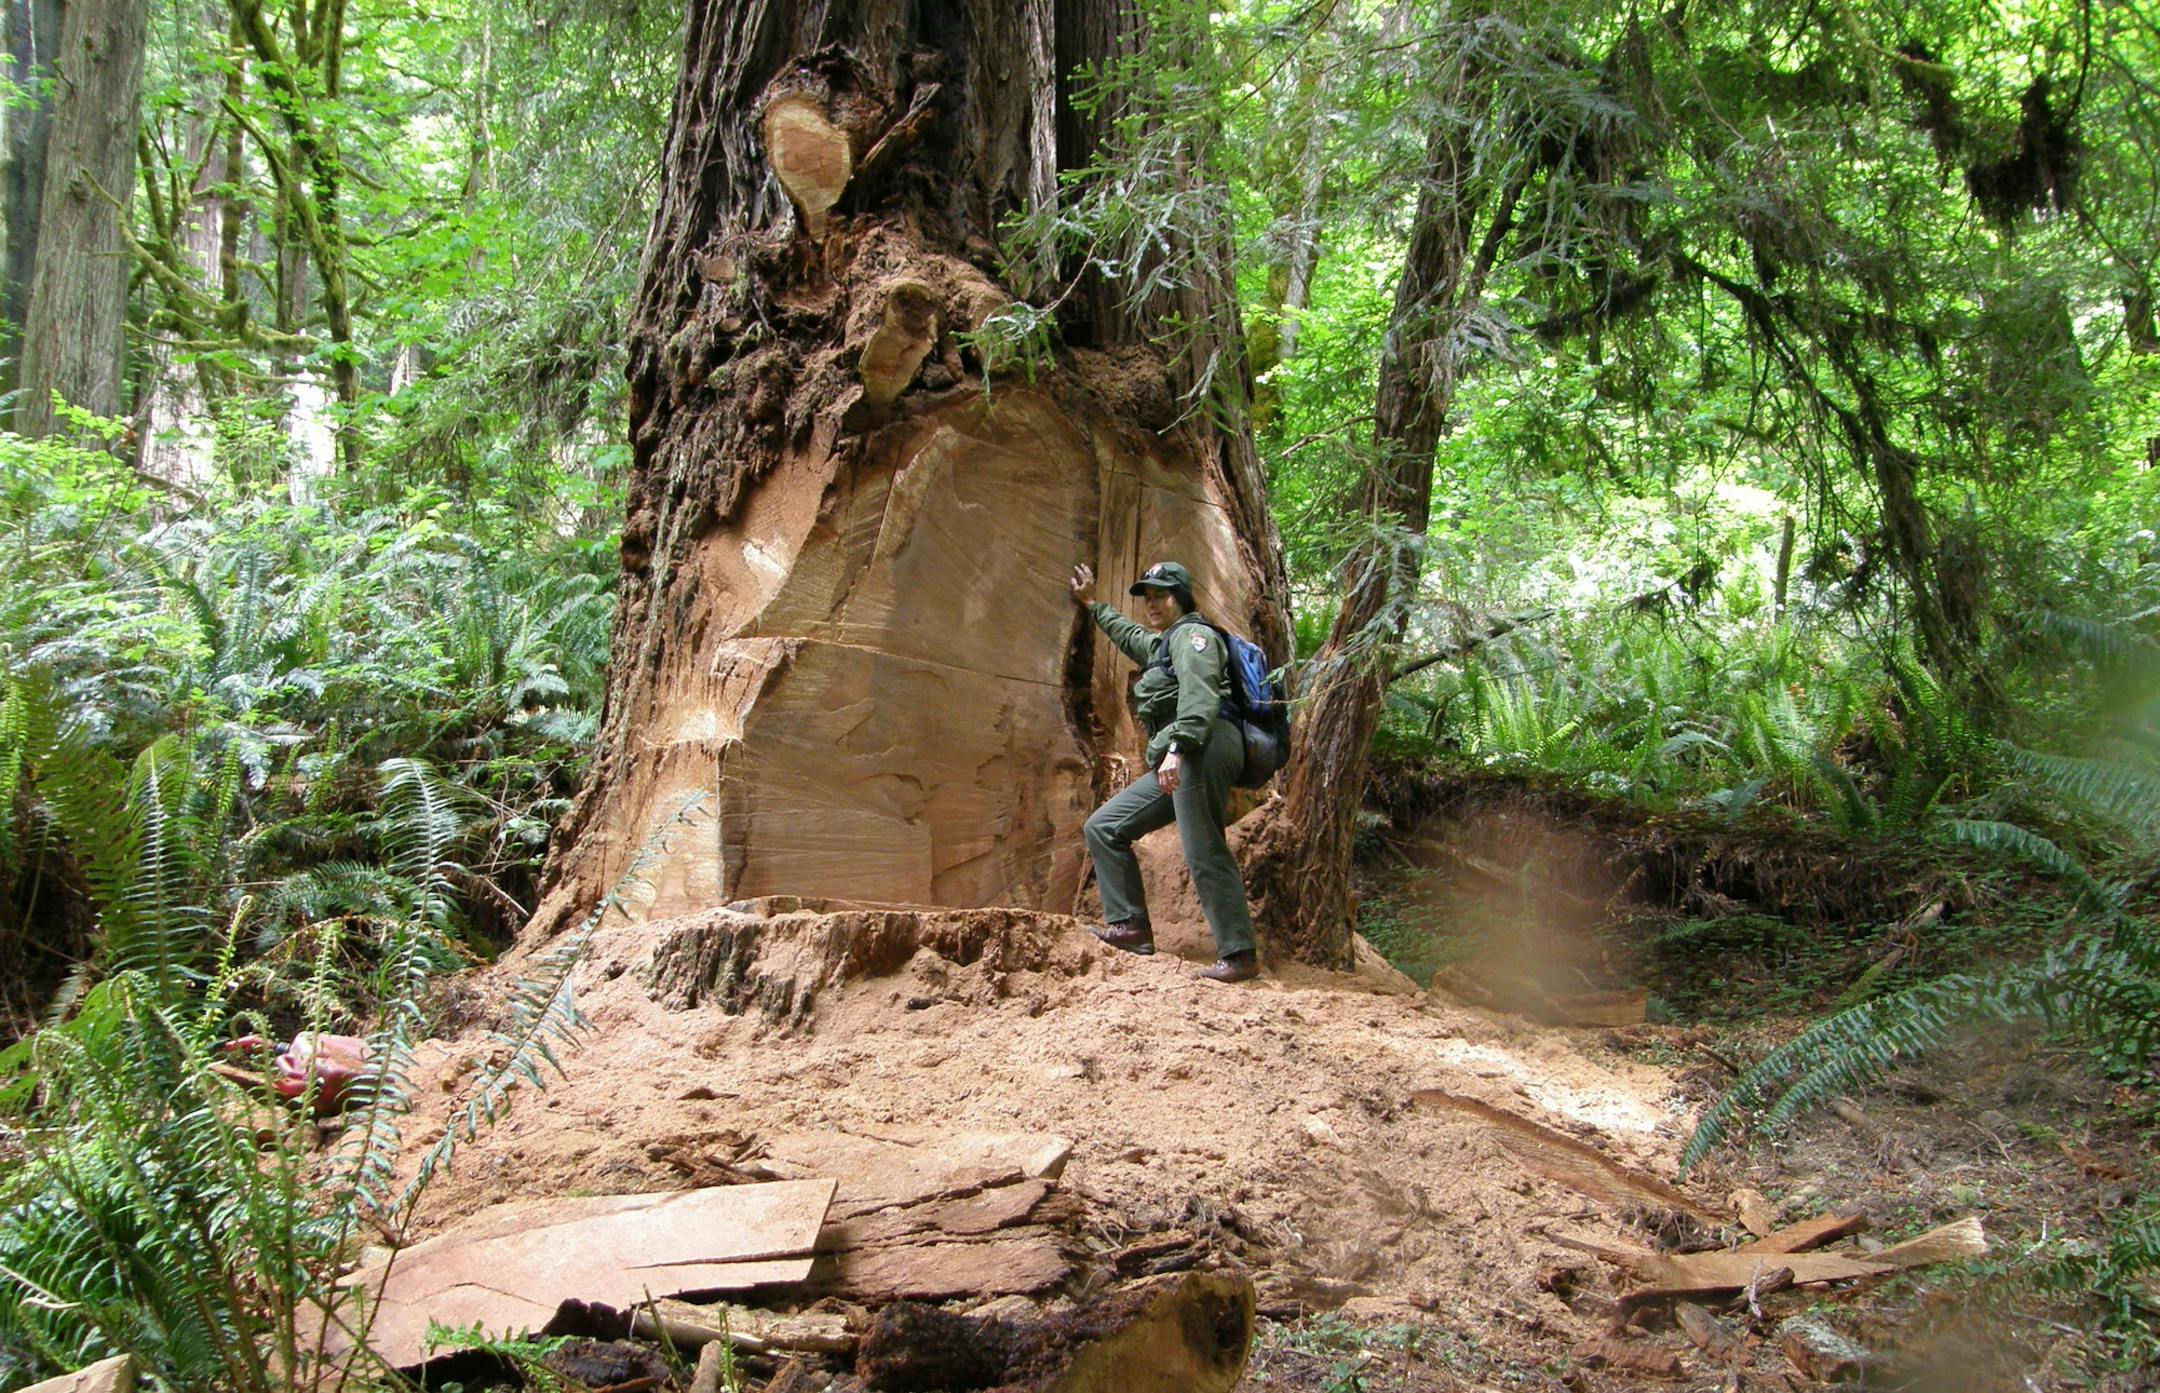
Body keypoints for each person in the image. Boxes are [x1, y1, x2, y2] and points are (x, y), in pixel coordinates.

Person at [1070, 560, 1259, 984]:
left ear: (1182, 598)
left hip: (1201, 746)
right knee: (1104, 826)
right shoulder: (1163, 644)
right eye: (1148, 597)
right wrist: (1094, 604)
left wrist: (1176, 748)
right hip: (1186, 751)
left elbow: (1200, 696)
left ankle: (1240, 953)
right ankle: (1130, 928)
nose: (1153, 604)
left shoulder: (1195, 637)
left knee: (1203, 845)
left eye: (1162, 595)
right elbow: (1131, 636)